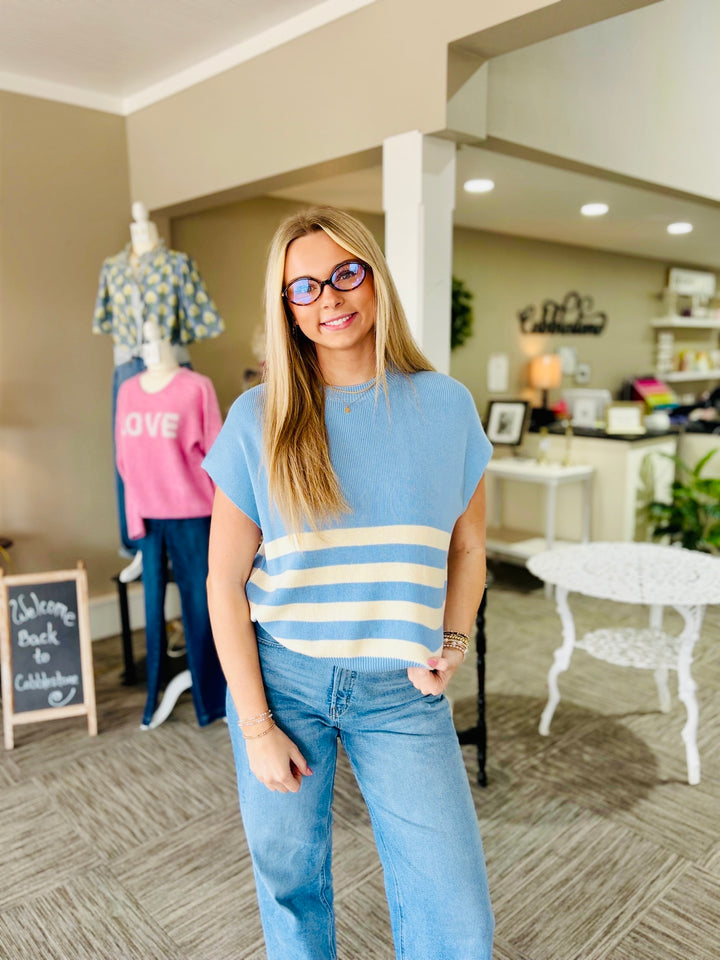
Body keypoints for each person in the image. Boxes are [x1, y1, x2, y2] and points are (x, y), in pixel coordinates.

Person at [203, 206, 494, 960]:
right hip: (283, 680)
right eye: (304, 288)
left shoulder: (446, 406)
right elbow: (222, 584)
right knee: (291, 881)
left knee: (454, 906)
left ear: (374, 278)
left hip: (403, 689)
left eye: (344, 274)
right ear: (287, 309)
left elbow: (470, 548)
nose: (329, 299)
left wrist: (454, 642)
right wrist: (258, 726)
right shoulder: (257, 420)